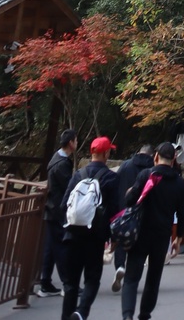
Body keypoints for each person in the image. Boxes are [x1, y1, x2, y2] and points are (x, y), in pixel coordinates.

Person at [118, 141, 184, 320]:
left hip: (141, 232)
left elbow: (130, 200)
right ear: (173, 159)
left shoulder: (146, 175)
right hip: (162, 235)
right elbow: (183, 213)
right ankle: (145, 314)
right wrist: (178, 238)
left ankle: (127, 315)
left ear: (156, 156)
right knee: (153, 278)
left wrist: (129, 192)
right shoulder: (179, 183)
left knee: (131, 278)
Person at [59, 136, 122, 320]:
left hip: (72, 235)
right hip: (95, 238)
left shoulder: (78, 175)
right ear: (106, 153)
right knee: (92, 280)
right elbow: (115, 212)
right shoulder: (111, 178)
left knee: (71, 284)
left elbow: (64, 205)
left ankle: (67, 317)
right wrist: (113, 238)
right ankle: (81, 312)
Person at [39, 128, 78, 296]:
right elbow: (69, 187)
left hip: (52, 209)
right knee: (62, 247)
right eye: (76, 140)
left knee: (50, 248)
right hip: (58, 210)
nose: (77, 143)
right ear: (71, 143)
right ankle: (67, 284)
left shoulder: (57, 159)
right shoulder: (62, 164)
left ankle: (45, 283)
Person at [111, 145, 155, 293]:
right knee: (137, 247)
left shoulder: (125, 165)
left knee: (121, 241)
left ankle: (120, 266)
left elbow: (116, 185)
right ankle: (130, 276)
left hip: (123, 210)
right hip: (142, 213)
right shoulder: (152, 170)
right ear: (152, 155)